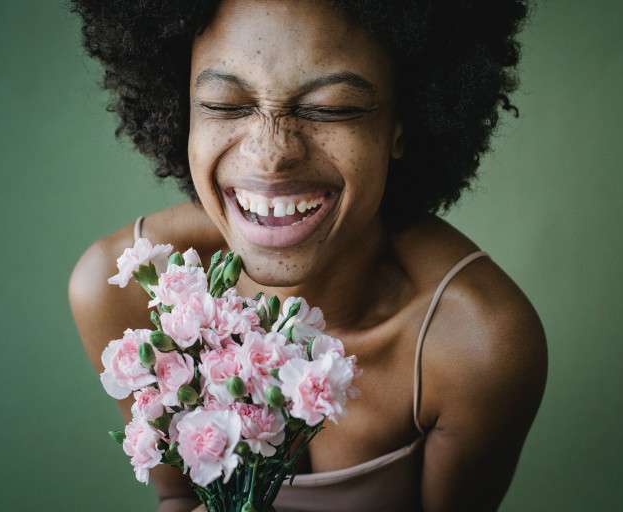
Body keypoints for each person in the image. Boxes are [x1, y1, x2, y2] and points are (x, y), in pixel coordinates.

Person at [67, 1, 547, 511]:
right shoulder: (127, 291)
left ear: (401, 126)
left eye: (331, 107)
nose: (271, 154)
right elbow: (177, 499)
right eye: (225, 104)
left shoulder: (475, 345)